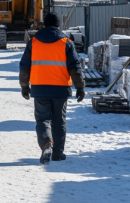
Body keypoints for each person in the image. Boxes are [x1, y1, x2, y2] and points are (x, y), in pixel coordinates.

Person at [19, 12, 85, 164]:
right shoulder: (66, 42)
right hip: (60, 88)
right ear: (58, 25)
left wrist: (24, 86)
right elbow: (75, 67)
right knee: (59, 121)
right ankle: (58, 153)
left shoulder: (34, 42)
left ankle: (46, 144)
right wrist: (80, 87)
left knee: (42, 120)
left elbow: (24, 66)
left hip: (40, 88)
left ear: (44, 25)